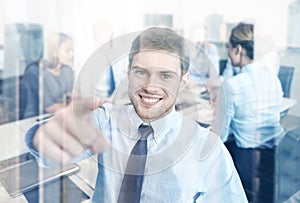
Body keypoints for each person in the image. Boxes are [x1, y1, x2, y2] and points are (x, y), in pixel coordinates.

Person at [25, 27, 247, 202]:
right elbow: (48, 152)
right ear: (128, 72)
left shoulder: (209, 150)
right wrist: (43, 138)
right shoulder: (106, 120)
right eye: (141, 72)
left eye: (166, 76)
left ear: (184, 80)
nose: (151, 86)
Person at [211, 22, 284, 203]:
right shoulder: (272, 78)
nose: (227, 52)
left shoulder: (233, 85)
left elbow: (220, 135)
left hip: (248, 161)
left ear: (239, 49)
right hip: (276, 156)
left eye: (229, 47)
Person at [24, 32, 74, 118]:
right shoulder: (35, 72)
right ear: (54, 52)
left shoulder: (68, 71)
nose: (71, 55)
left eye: (72, 50)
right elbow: (50, 108)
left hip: (60, 118)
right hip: (35, 121)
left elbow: (73, 99)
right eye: (67, 51)